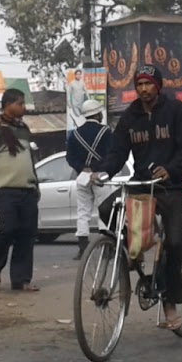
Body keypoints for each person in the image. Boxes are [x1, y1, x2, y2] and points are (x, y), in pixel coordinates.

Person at [102, 63, 182, 331]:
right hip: (142, 183)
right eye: (139, 84)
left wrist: (171, 169)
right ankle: (136, 249)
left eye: (148, 84)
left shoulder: (175, 110)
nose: (144, 89)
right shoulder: (129, 116)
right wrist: (103, 171)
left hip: (170, 186)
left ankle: (170, 303)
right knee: (107, 209)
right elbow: (117, 152)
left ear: (158, 86)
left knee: (174, 243)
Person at [0, 89, 40, 291]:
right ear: (8, 105)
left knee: (27, 235)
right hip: (5, 189)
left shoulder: (24, 129)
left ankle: (21, 280)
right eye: (20, 103)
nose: (24, 107)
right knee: (8, 228)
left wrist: (36, 185)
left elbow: (30, 159)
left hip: (27, 190)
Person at [66, 99, 110, 253]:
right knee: (104, 210)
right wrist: (97, 169)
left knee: (83, 212)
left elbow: (70, 157)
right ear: (97, 114)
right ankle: (106, 246)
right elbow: (110, 155)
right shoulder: (106, 131)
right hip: (100, 176)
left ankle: (82, 248)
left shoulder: (75, 134)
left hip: (82, 177)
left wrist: (82, 168)